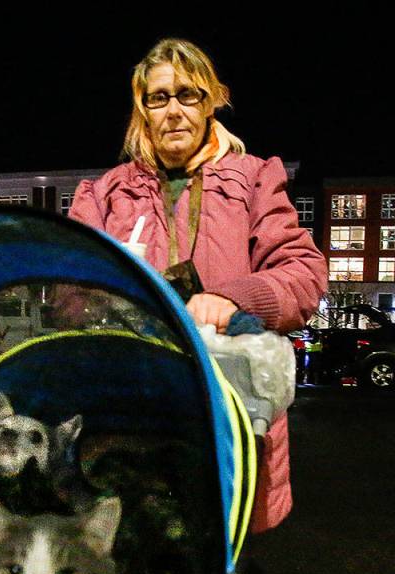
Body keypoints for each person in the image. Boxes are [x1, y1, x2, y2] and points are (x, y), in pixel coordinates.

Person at [69, 38, 327, 533]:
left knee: (216, 557)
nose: (174, 110)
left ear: (211, 102)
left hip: (227, 420)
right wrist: (114, 306)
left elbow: (302, 272)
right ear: (142, 109)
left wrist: (234, 298)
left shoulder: (253, 180)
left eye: (188, 95)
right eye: (158, 97)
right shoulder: (104, 195)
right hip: (131, 420)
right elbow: (67, 292)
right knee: (133, 554)